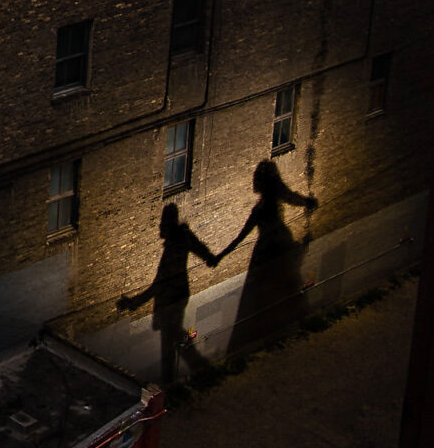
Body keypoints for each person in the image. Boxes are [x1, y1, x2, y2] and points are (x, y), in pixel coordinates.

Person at [220, 158, 320, 347]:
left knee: (265, 294)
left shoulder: (258, 210)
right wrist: (308, 201)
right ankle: (291, 324)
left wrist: (219, 256)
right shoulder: (270, 203)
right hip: (279, 246)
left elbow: (239, 238)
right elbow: (292, 197)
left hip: (266, 252)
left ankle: (270, 332)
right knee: (287, 285)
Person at [120, 202, 222, 386]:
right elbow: (199, 248)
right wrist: (210, 258)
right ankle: (198, 372)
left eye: (162, 223)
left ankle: (182, 378)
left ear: (168, 224)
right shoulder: (183, 237)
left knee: (170, 343)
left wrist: (133, 302)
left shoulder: (174, 247)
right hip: (178, 296)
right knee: (175, 340)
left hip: (170, 300)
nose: (159, 226)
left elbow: (159, 285)